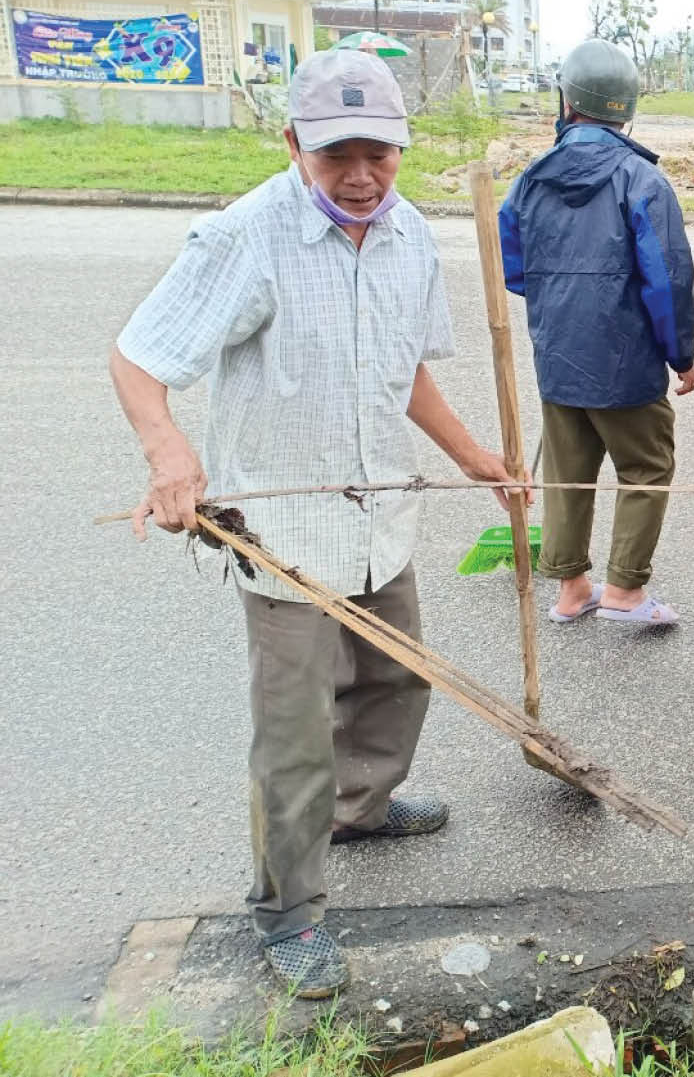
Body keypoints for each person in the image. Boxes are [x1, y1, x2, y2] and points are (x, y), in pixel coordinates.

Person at [109, 48, 519, 997]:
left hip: (381, 514)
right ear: (295, 144)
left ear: (402, 150)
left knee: (392, 682)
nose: (363, 174)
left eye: (380, 151)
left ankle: (362, 805)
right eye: (339, 155)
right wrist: (169, 455)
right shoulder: (245, 239)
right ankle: (288, 913)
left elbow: (409, 368)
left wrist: (472, 456)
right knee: (292, 737)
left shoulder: (412, 234)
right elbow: (140, 360)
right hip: (284, 541)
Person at [500, 38, 694, 626]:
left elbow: (515, 269)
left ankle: (570, 589)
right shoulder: (642, 180)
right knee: (646, 467)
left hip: (557, 355)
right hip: (625, 361)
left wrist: (563, 302)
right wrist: (681, 354)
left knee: (569, 474)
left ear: (567, 102)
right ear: (625, 108)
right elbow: (668, 279)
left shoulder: (529, 179)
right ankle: (625, 591)